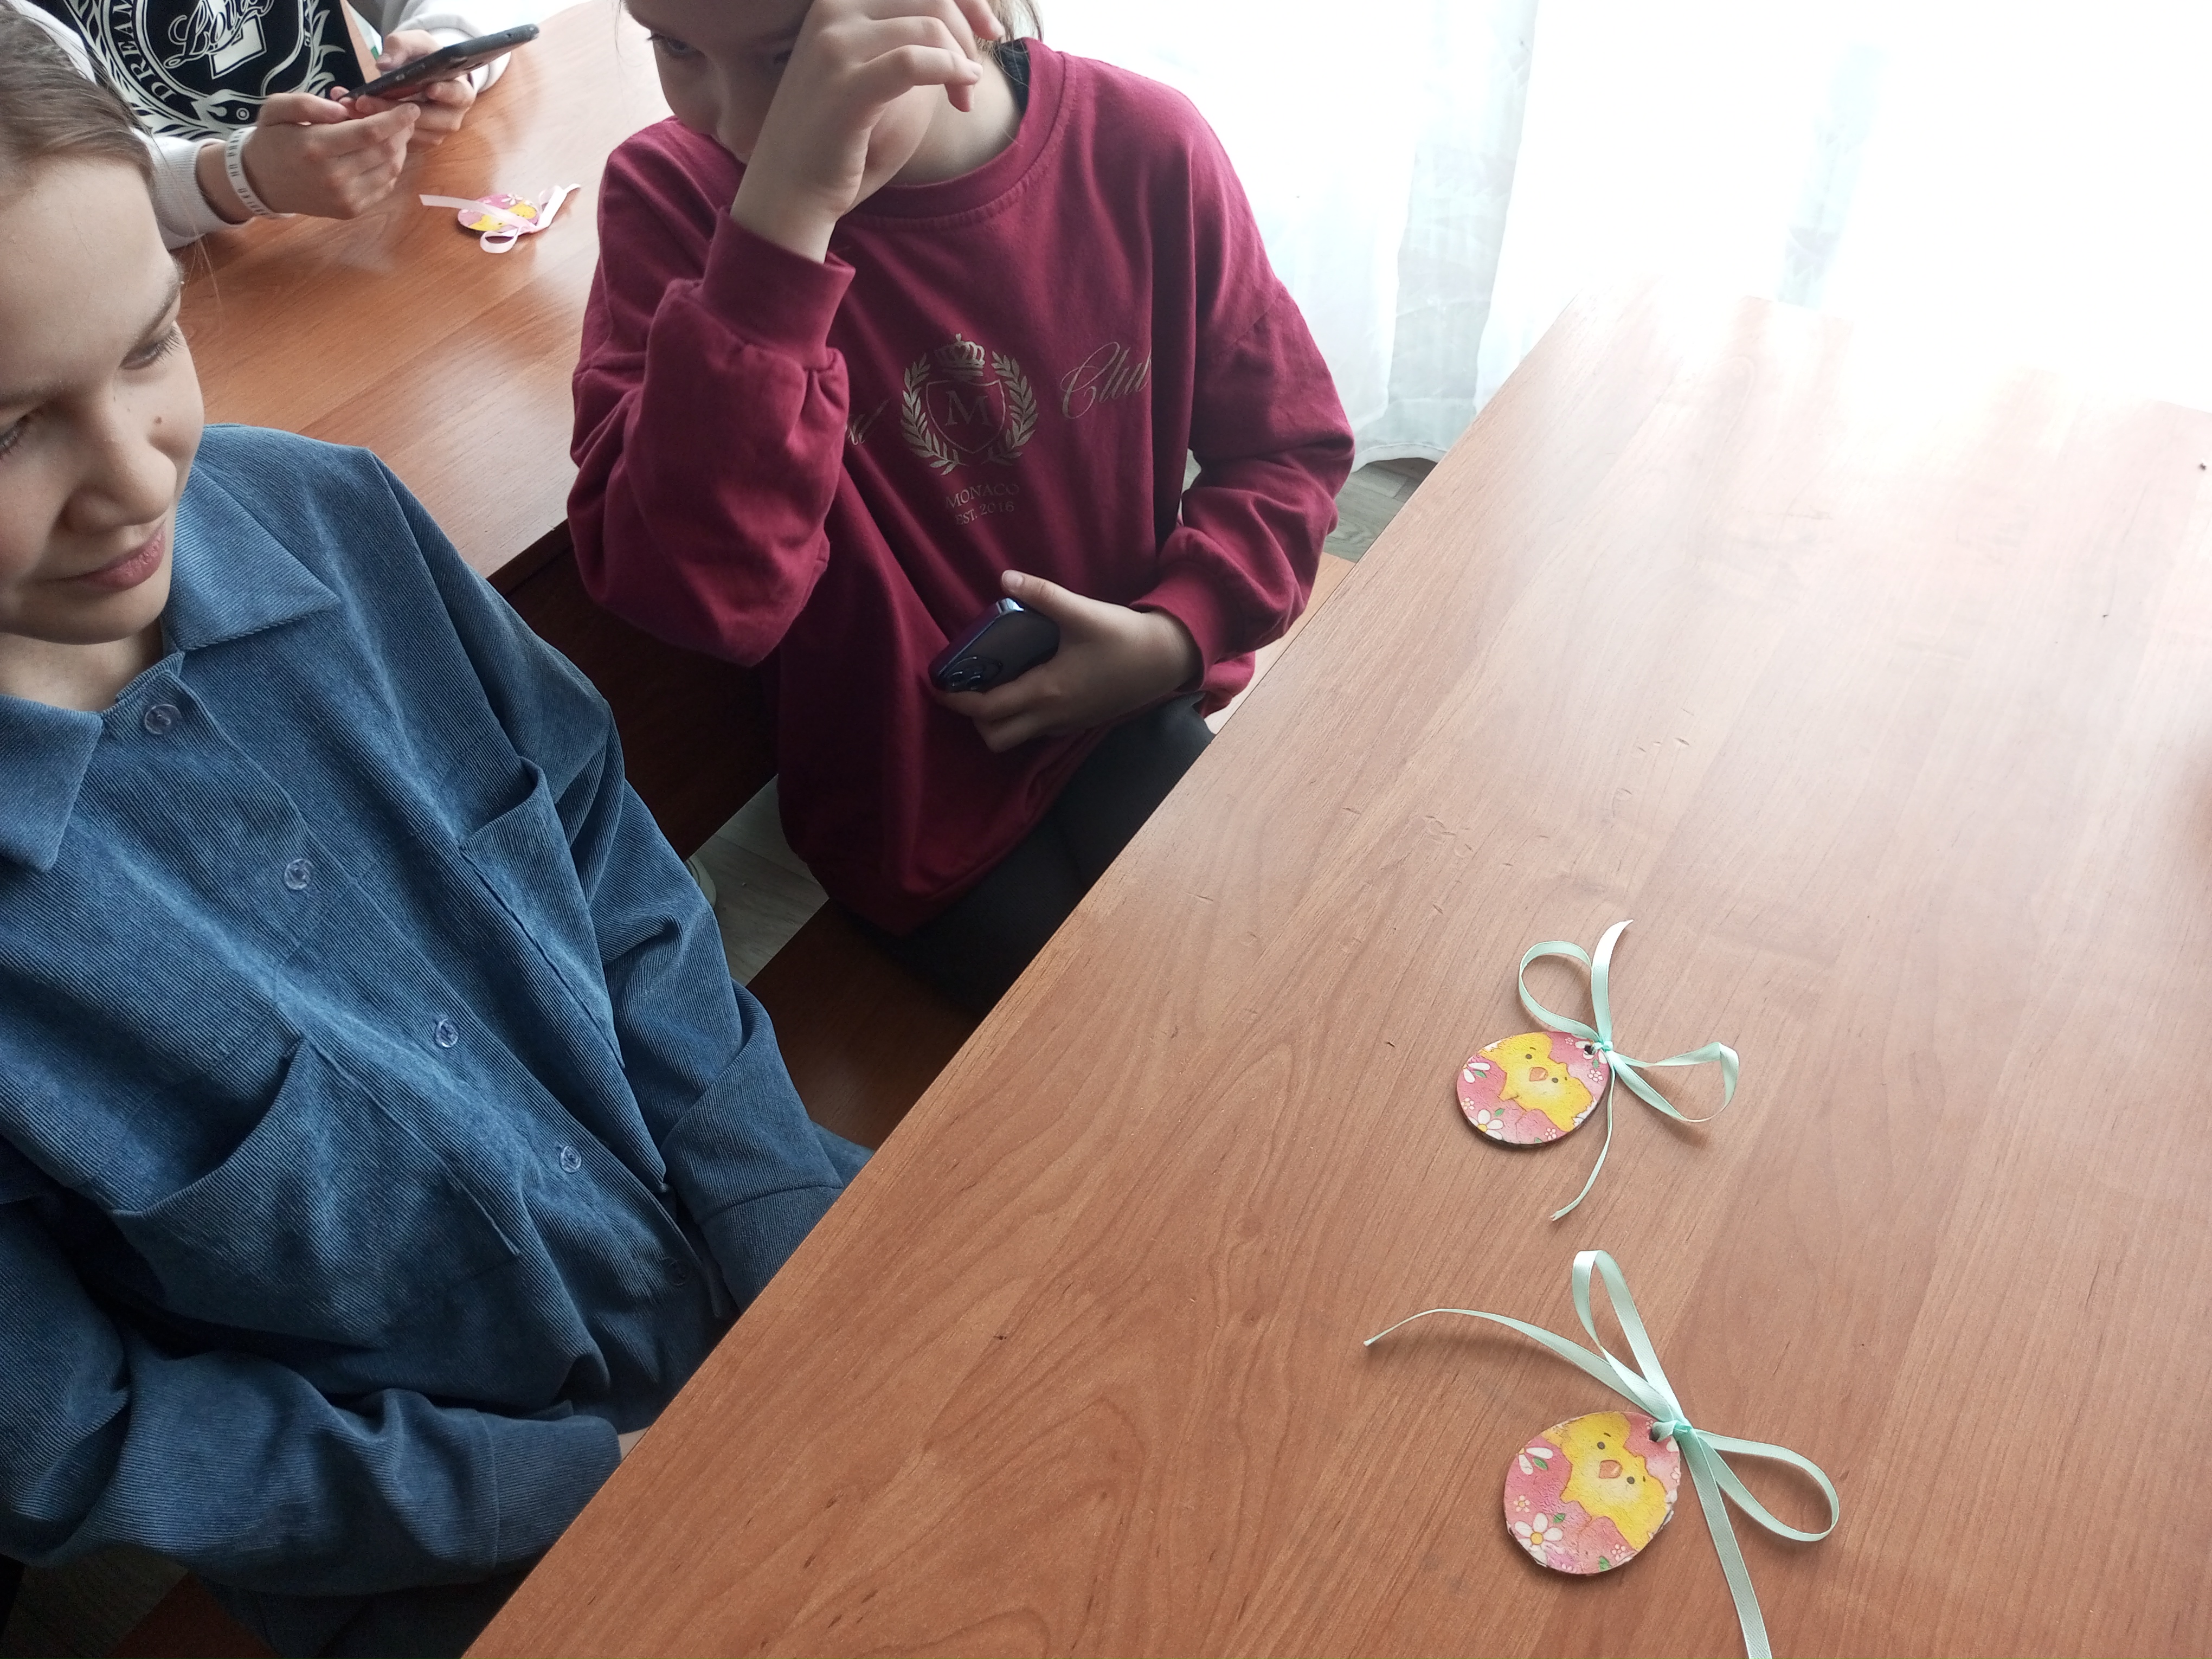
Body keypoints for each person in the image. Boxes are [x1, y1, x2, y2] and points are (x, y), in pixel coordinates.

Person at [0, 17, 864, 1657]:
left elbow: (604, 858)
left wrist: (775, 1216)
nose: (135, 477)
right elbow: (73, 1436)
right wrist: (569, 1492)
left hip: (760, 1243)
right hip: (462, 1549)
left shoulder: (331, 513)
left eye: (149, 345)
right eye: (5, 431)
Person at [570, 0, 1355, 1013]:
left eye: (790, 57)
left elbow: (1288, 449)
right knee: (1104, 1043)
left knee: (1279, 991)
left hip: (1131, 708)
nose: (739, 126)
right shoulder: (674, 197)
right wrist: (781, 227)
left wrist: (1175, 635)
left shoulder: (1144, 145)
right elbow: (697, 592)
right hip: (907, 802)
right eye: (674, 47)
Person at [7, 0, 521, 244]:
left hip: (387, 225)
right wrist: (240, 180)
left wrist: (449, 56)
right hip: (202, 293)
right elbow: (56, 197)